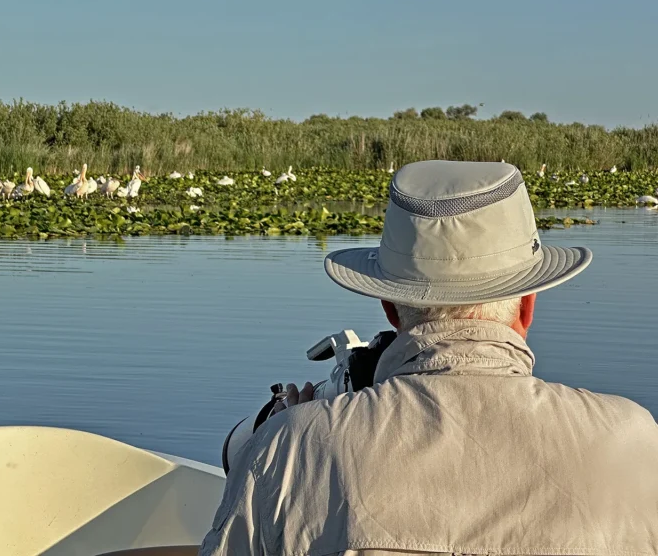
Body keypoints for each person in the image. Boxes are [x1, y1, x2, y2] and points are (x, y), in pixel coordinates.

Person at [200, 161, 658, 555]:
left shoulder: (292, 445)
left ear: (389, 306)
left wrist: (296, 441)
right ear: (527, 305)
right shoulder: (635, 442)